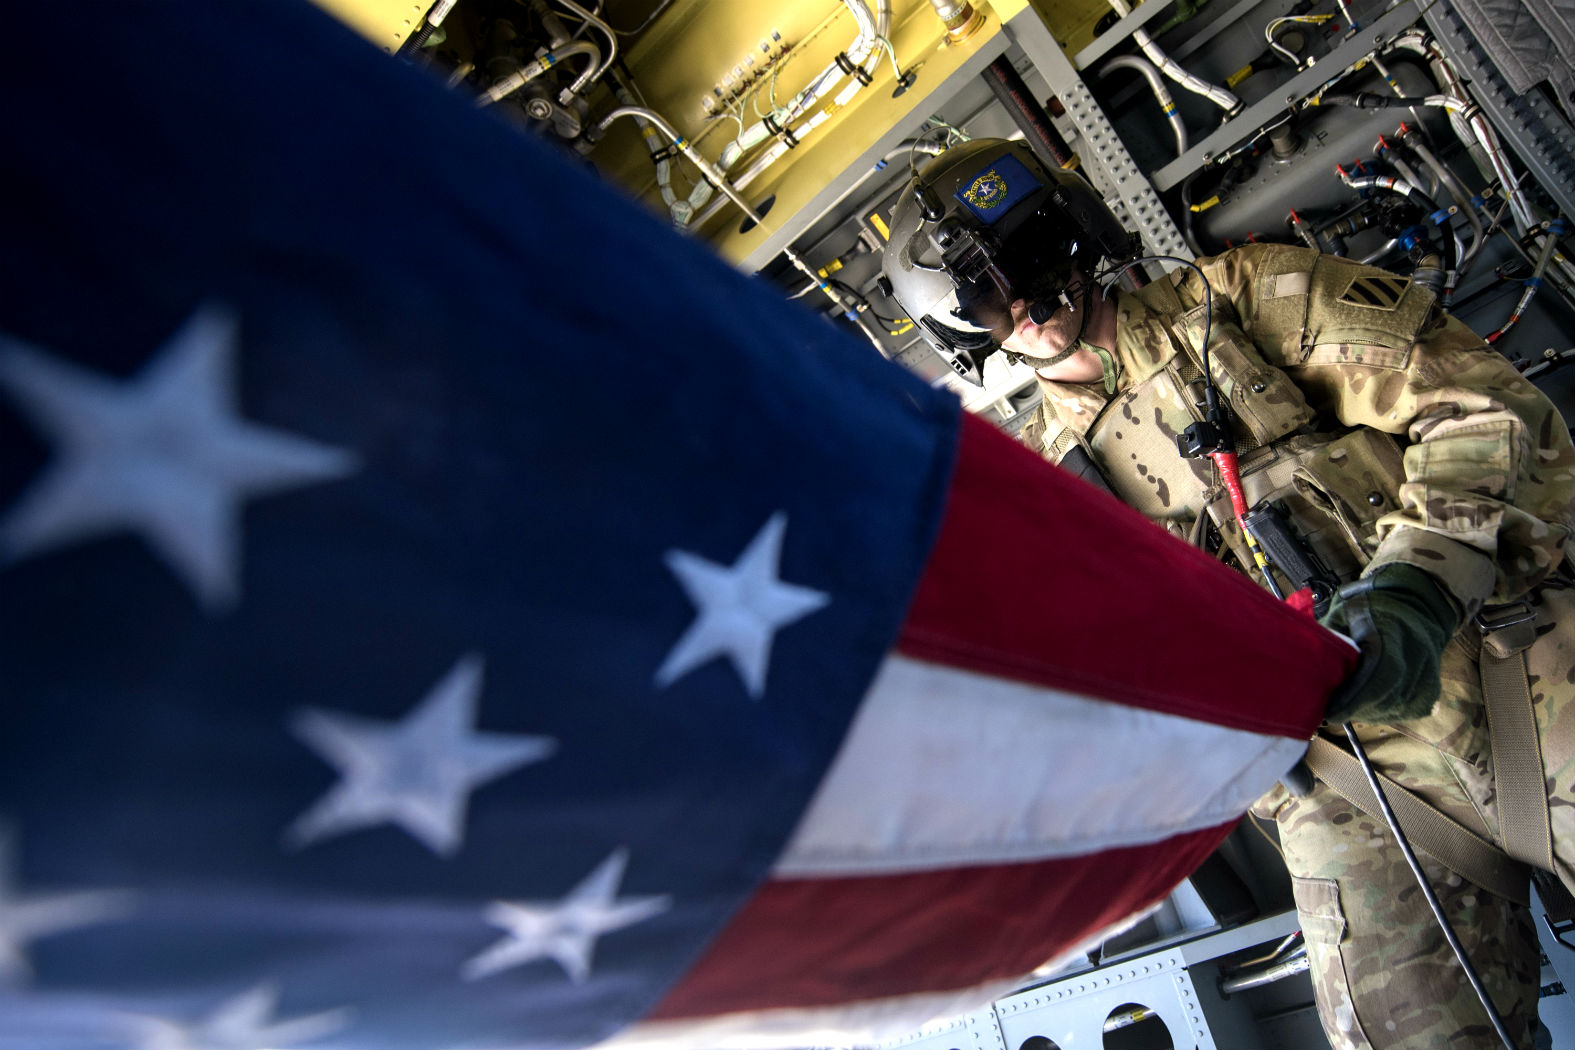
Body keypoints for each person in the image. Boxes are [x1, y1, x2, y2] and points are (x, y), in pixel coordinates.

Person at [882, 137, 1575, 1050]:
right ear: (959, 334)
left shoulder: (1240, 301)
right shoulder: (1043, 496)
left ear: (1073, 235)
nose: (1018, 307)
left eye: (1027, 265)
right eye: (980, 302)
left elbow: (1481, 406)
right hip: (1344, 789)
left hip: (1501, 657)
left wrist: (1418, 583)